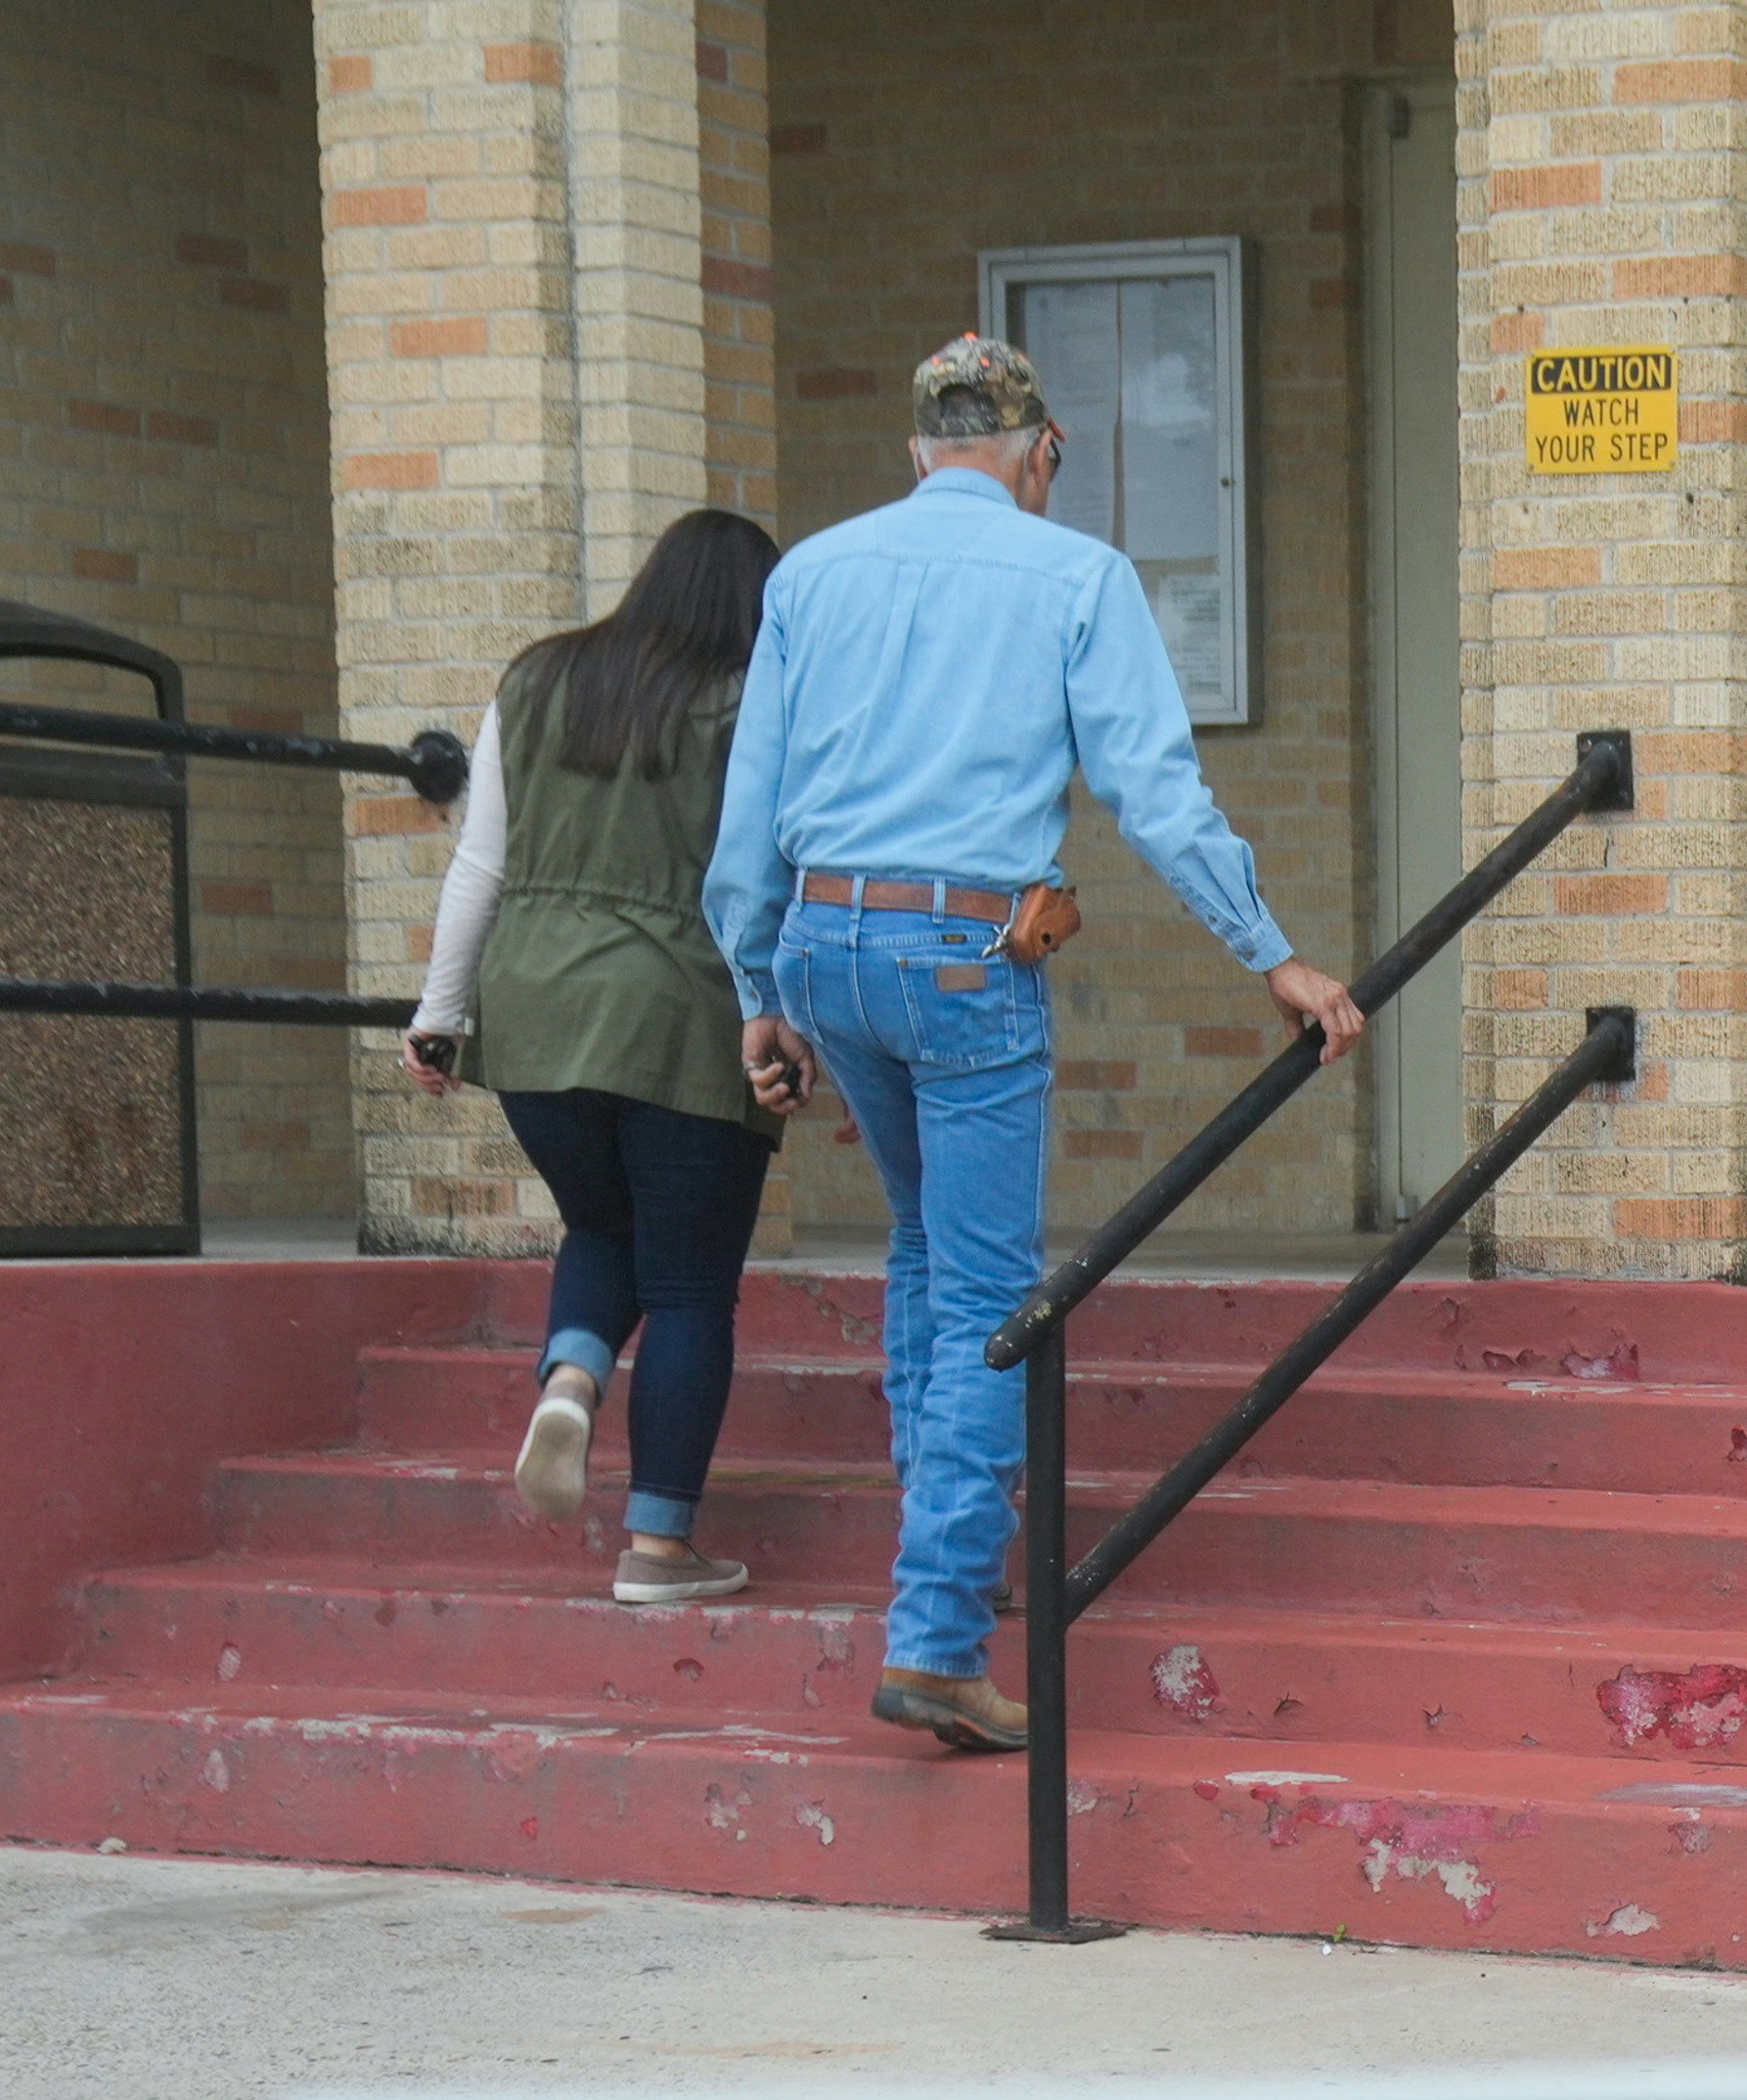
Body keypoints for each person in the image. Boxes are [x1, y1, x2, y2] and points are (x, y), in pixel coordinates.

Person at [704, 333, 1364, 1754]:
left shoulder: (809, 574)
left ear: (915, 451)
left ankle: (942, 1545)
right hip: (965, 956)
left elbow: (748, 808)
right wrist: (1272, 953)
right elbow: (1155, 793)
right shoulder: (1076, 575)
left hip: (824, 943)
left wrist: (758, 988)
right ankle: (939, 1634)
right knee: (993, 1297)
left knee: (924, 1245)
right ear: (1041, 451)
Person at [408, 508, 789, 1606]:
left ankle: (572, 1379)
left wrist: (439, 1015)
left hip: (533, 1013)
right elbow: (783, 876)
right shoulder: (750, 701)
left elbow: (479, 866)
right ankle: (659, 1547)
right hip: (682, 1016)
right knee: (689, 1287)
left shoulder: (538, 679)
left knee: (600, 1224)